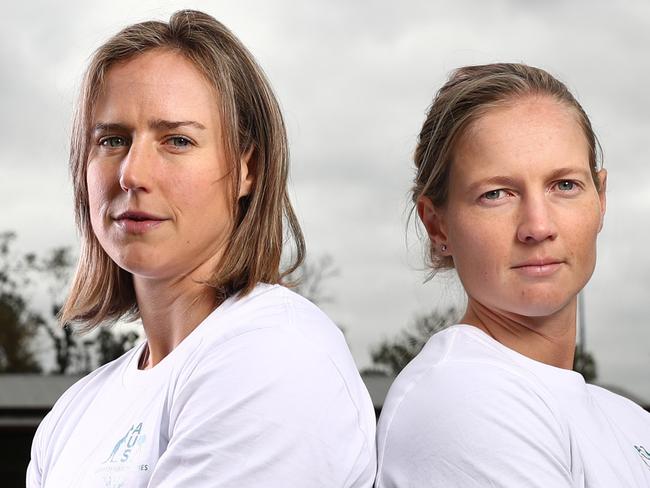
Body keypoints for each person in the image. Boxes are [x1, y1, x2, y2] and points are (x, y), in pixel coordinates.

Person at [27, 10, 376, 487]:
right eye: (112, 140)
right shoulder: (72, 416)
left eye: (177, 140)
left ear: (247, 169)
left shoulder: (276, 356)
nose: (132, 174)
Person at [375, 63, 650, 487]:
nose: (538, 227)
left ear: (601, 198)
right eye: (496, 194)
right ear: (438, 225)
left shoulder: (627, 420)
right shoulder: (462, 400)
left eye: (564, 186)